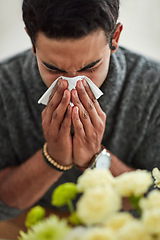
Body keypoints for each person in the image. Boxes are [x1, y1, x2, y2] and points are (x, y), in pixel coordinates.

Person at [0, 0, 160, 221]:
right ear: (32, 41)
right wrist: (53, 157)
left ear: (115, 37)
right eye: (53, 68)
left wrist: (95, 159)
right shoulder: (4, 86)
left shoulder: (153, 88)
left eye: (90, 67)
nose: (72, 84)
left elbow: (154, 205)